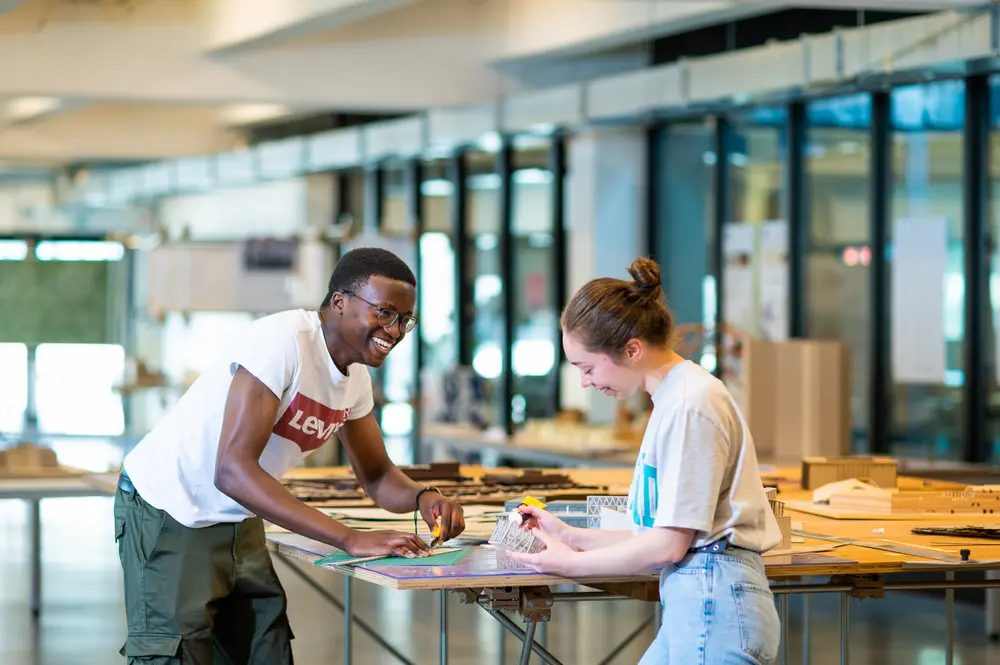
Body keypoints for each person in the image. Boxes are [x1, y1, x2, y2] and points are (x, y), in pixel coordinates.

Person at [113, 246, 465, 665]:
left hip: (236, 514)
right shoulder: (283, 342)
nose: (396, 329)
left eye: (405, 319)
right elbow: (232, 470)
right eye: (385, 313)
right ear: (340, 302)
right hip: (171, 506)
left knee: (265, 646)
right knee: (178, 653)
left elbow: (377, 476)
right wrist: (349, 537)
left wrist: (425, 497)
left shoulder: (354, 380)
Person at [509, 257, 781, 665]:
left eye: (587, 367)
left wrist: (571, 566)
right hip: (698, 595)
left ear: (632, 350)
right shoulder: (673, 399)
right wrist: (569, 536)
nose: (585, 381)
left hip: (715, 598)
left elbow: (669, 545)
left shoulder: (690, 404)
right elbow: (657, 534)